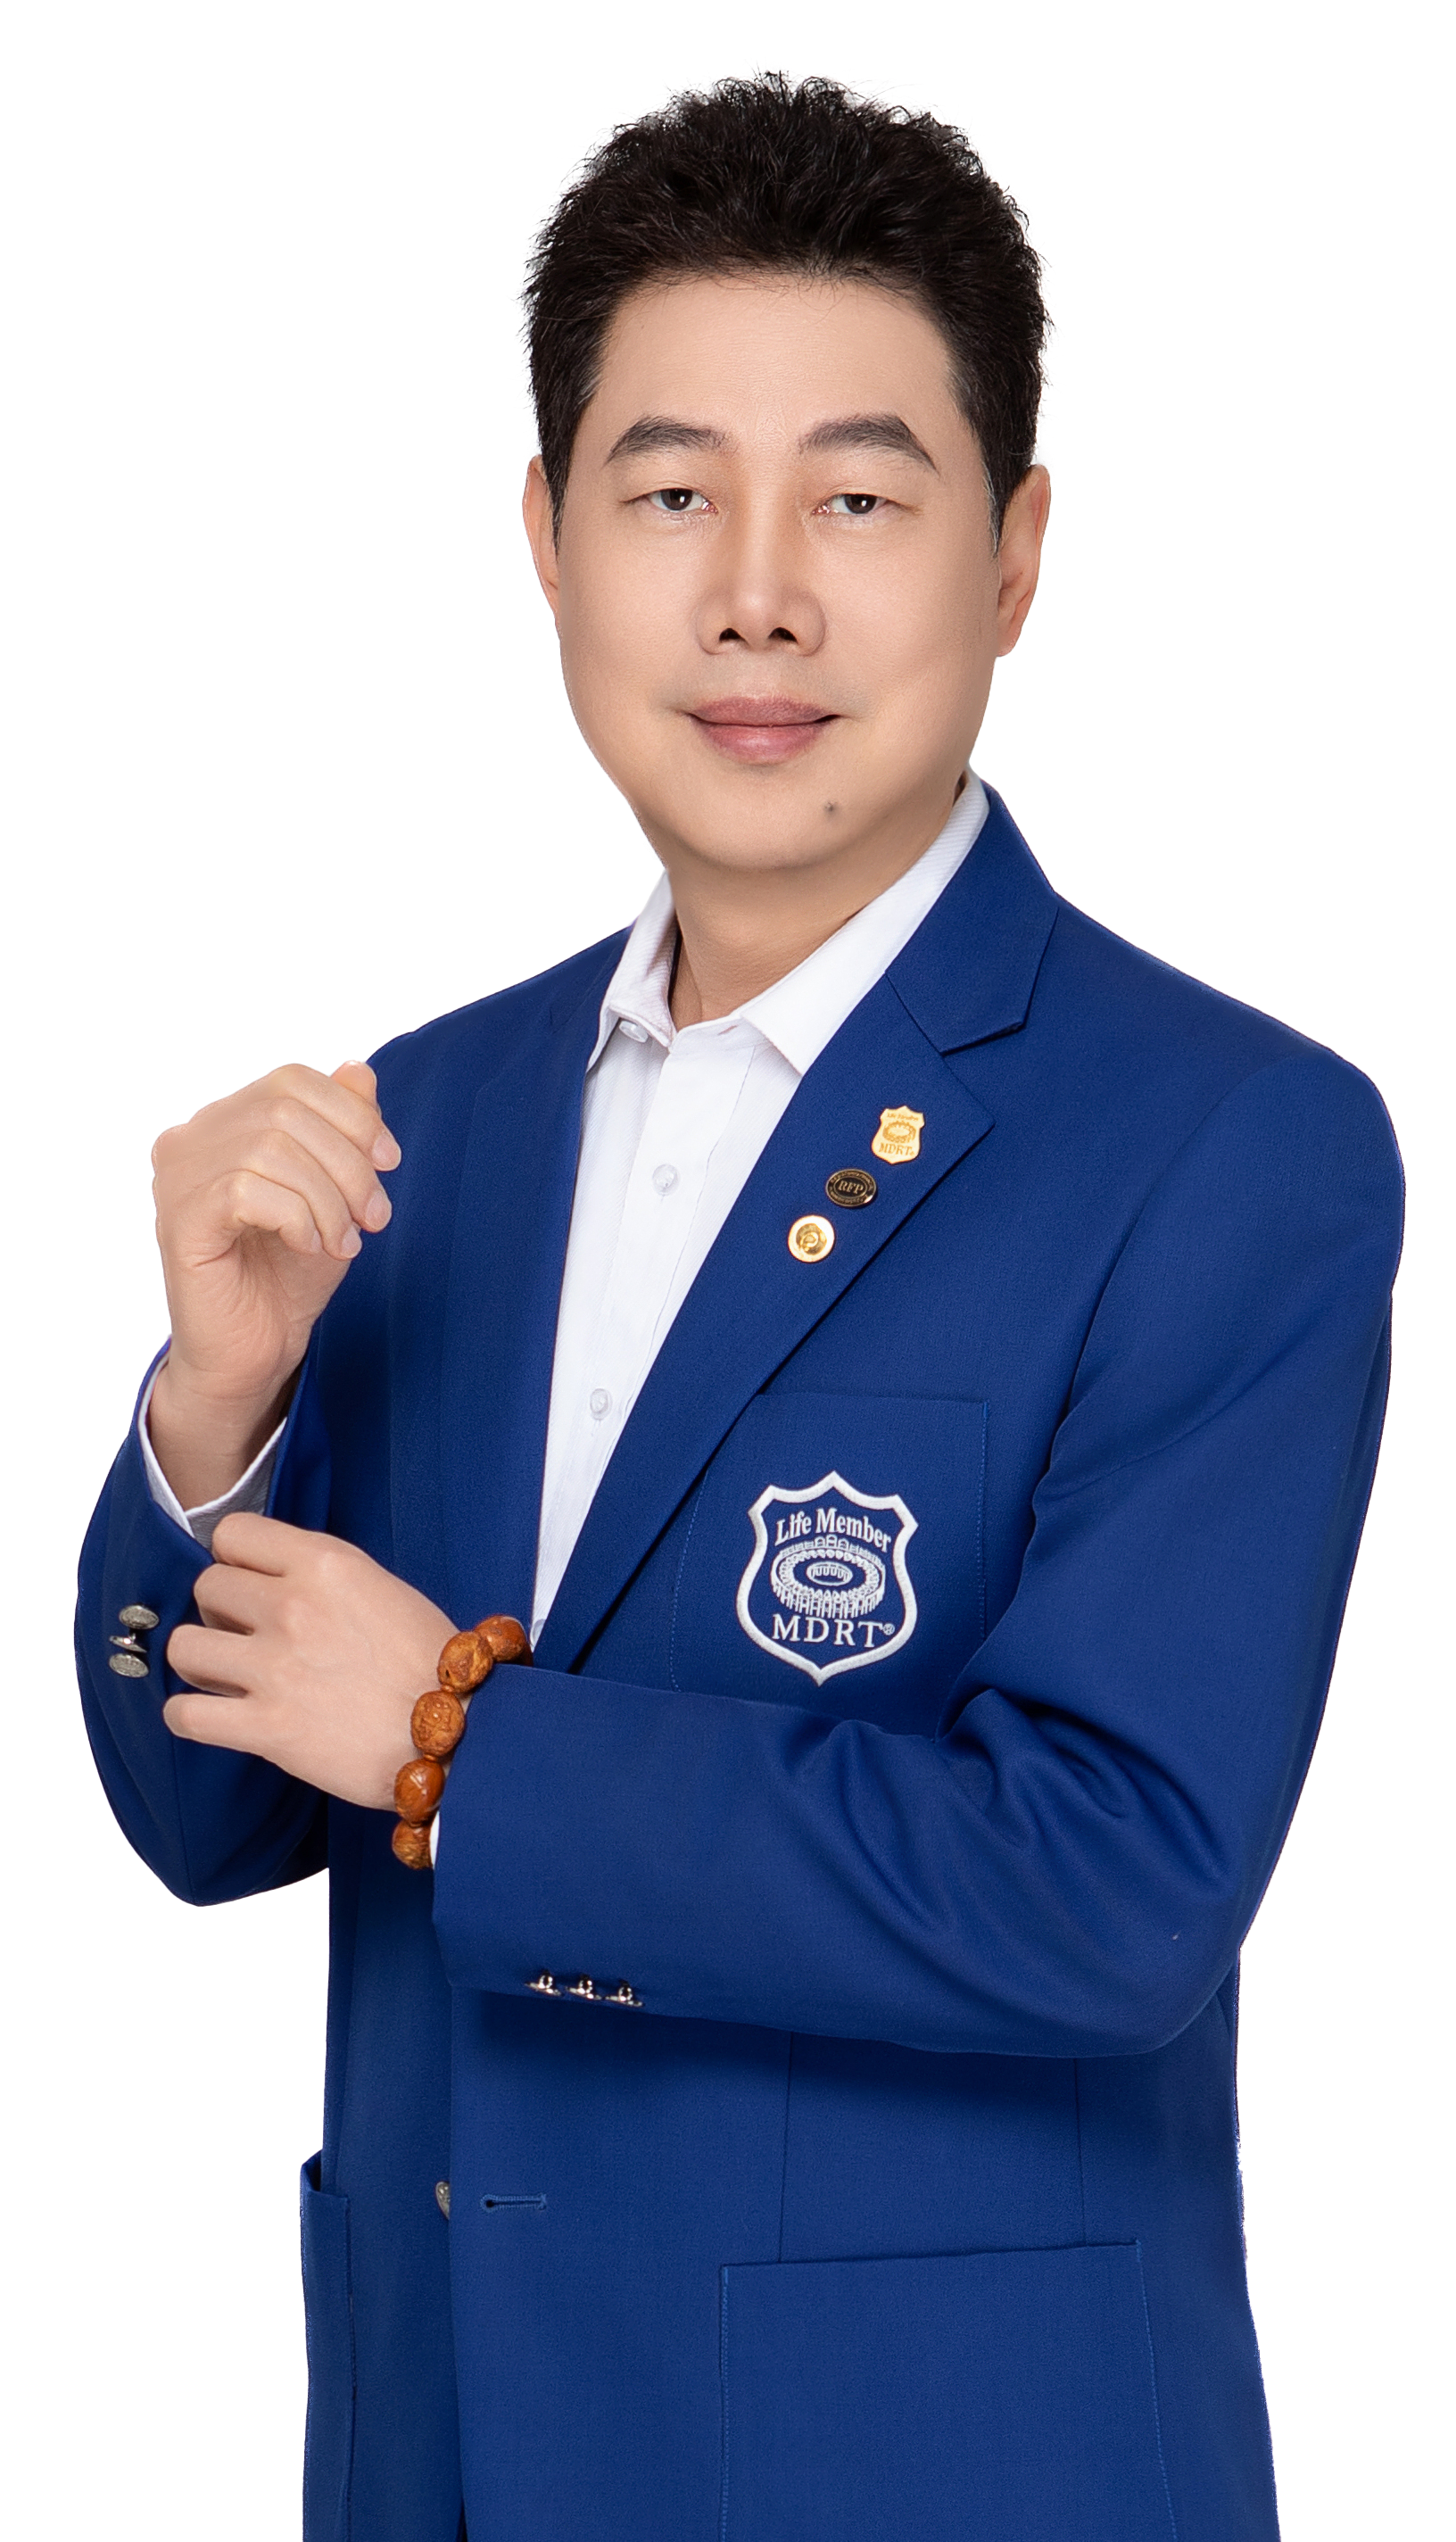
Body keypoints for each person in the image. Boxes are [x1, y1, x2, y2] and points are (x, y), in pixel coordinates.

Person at [75, 56, 1402, 2542]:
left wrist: (466, 1751)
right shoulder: (415, 1125)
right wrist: (217, 1405)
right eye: (671, 491)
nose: (758, 593)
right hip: (440, 2453)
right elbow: (206, 1816)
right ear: (547, 542)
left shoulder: (1227, 1143)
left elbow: (1107, 1887)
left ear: (1016, 553)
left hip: (932, 2473)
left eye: (860, 498)